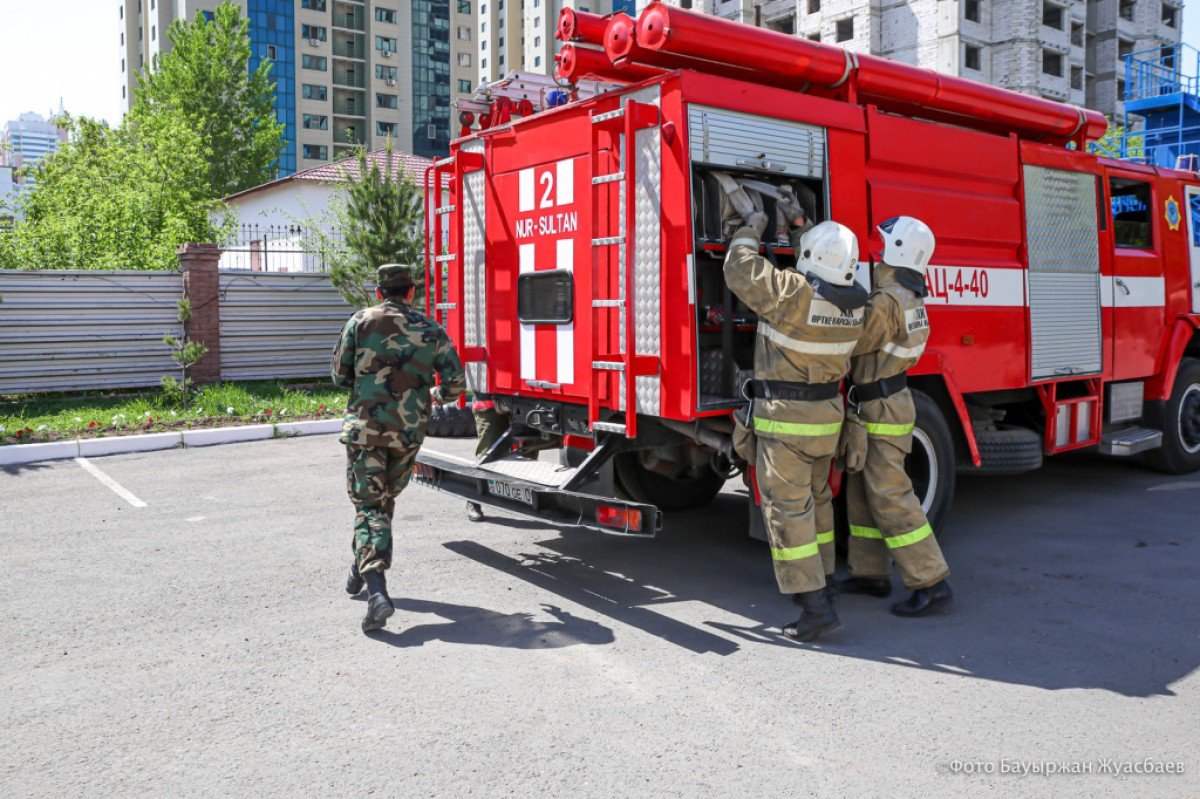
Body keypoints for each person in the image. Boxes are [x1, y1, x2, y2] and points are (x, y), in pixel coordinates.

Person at [724, 203, 868, 643]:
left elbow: (739, 268)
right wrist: (802, 230)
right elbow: (818, 279)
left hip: (785, 428)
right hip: (826, 425)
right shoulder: (854, 307)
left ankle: (815, 608)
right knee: (818, 505)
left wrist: (751, 230)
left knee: (789, 515)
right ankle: (823, 583)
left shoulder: (791, 294)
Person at [332, 263, 466, 633]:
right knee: (382, 502)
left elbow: (339, 375)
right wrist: (428, 396)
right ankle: (359, 567)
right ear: (411, 292)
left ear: (379, 292)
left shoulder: (360, 321)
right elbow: (455, 385)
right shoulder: (431, 328)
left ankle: (377, 591)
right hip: (408, 433)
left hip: (366, 430)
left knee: (370, 504)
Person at [835, 216, 953, 616]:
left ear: (899, 251)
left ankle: (932, 582)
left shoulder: (887, 301)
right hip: (883, 402)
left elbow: (851, 338)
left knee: (890, 495)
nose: (878, 254)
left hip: (880, 406)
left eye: (884, 247)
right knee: (863, 493)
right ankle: (870, 574)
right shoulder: (908, 296)